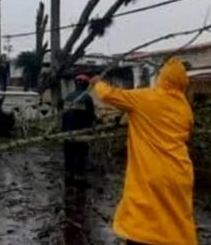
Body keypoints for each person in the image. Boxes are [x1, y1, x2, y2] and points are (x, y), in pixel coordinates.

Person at [90, 57, 197, 245]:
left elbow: (109, 95)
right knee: (175, 219)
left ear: (163, 78)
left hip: (151, 171)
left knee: (142, 220)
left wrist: (98, 83)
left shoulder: (146, 98)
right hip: (180, 172)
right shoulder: (184, 107)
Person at [61, 74, 97, 181]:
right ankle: (79, 177)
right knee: (80, 154)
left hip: (66, 131)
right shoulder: (87, 98)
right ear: (86, 84)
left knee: (69, 154)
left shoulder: (68, 97)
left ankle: (68, 175)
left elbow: (64, 115)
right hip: (81, 132)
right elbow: (90, 116)